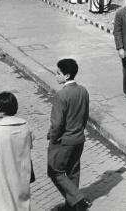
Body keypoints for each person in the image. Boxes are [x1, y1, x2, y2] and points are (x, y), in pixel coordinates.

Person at [47, 58, 92, 211]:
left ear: (66, 76)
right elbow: (85, 116)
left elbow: (57, 123)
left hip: (64, 140)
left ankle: (78, 200)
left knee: (55, 171)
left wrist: (53, 139)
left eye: (58, 73)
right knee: (73, 171)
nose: (56, 76)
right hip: (79, 138)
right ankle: (71, 205)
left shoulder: (61, 95)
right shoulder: (83, 91)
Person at [0, 91, 33, 211]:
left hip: (2, 175)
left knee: (2, 204)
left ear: (2, 110)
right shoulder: (25, 126)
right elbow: (30, 143)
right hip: (21, 173)